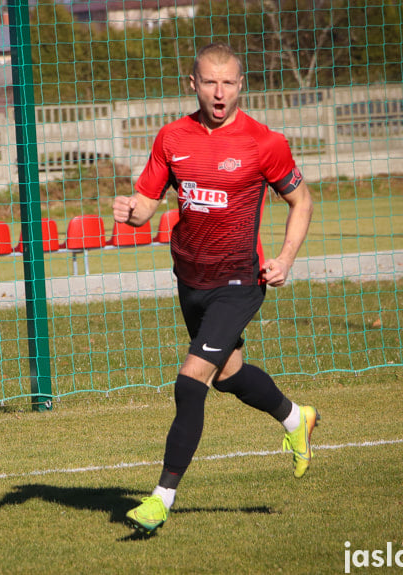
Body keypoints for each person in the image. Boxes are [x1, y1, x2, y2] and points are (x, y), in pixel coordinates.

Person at [113, 43, 318, 535]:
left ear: (241, 85)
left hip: (239, 281)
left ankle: (161, 499)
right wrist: (133, 212)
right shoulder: (171, 138)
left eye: (228, 83)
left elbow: (302, 199)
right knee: (228, 375)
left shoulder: (264, 143)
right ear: (193, 84)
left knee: (190, 384)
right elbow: (147, 204)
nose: (219, 92)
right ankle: (296, 417)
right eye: (209, 82)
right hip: (190, 278)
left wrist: (285, 258)